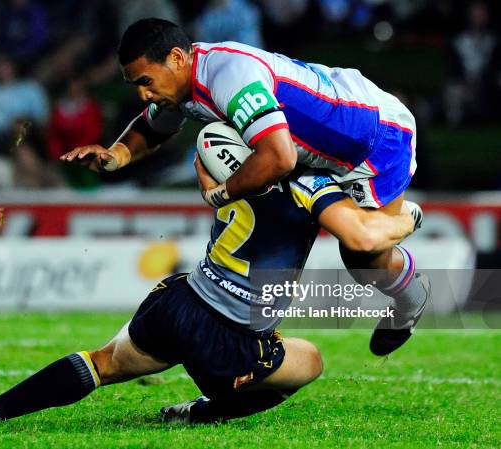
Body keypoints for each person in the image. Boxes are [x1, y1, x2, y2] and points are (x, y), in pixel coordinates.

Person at [0, 130, 416, 426]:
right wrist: (409, 217)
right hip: (231, 335)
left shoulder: (221, 147)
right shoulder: (313, 185)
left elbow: (205, 172)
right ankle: (200, 411)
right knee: (309, 361)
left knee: (102, 363)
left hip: (180, 300)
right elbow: (365, 237)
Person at [60, 18, 429, 356]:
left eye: (145, 82)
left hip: (374, 136)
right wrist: (115, 155)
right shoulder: (185, 85)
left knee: (363, 255)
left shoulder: (228, 76)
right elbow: (152, 127)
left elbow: (279, 157)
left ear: (175, 58)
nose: (143, 94)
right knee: (352, 246)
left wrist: (220, 194)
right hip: (320, 149)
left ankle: (410, 244)